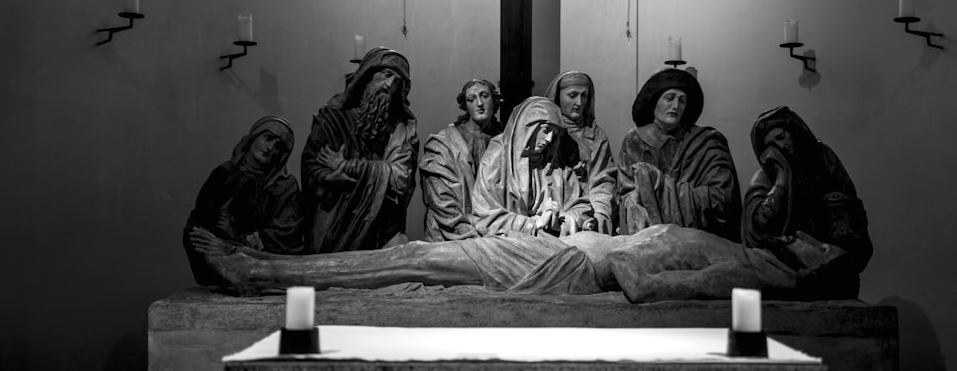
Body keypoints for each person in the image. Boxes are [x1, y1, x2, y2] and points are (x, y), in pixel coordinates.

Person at [191, 221, 849, 302]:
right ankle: (264, 263)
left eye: (825, 246)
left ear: (814, 264)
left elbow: (643, 282)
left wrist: (614, 249)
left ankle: (262, 271)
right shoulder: (750, 253)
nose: (816, 235)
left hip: (565, 265)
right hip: (563, 250)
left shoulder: (752, 271)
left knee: (420, 257)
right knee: (417, 256)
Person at [742, 106, 873, 298]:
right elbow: (758, 227)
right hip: (789, 267)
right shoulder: (765, 178)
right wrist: (781, 178)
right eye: (772, 145)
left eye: (781, 136)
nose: (781, 146)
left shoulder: (823, 159)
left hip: (830, 261)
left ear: (791, 130)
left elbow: (852, 208)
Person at [301, 47, 419, 253]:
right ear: (368, 74)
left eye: (397, 81)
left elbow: (401, 177)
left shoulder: (399, 128)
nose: (390, 85)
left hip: (378, 222)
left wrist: (350, 167)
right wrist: (327, 178)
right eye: (387, 74)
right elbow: (312, 165)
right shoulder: (333, 119)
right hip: (334, 215)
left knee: (397, 252)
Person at [617, 68, 741, 241]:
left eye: (682, 101)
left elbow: (722, 200)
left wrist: (658, 187)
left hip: (698, 238)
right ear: (655, 101)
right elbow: (627, 194)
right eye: (669, 98)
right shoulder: (634, 140)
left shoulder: (705, 143)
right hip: (648, 237)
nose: (676, 106)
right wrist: (638, 196)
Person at [182, 115, 303, 286]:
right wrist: (212, 241)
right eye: (268, 138)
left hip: (260, 262)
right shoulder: (223, 174)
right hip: (217, 257)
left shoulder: (284, 187)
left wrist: (238, 237)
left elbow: (287, 236)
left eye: (278, 147)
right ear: (254, 137)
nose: (270, 148)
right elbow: (199, 220)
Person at [472, 96, 594, 237]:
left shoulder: (554, 164)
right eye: (546, 130)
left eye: (553, 133)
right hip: (511, 241)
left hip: (551, 239)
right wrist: (534, 224)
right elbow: (484, 217)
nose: (549, 139)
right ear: (528, 126)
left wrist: (563, 220)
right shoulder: (498, 157)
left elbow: (581, 206)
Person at [420, 79, 503, 241]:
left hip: (495, 229)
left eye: (484, 96)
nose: (479, 103)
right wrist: (467, 230)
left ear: (494, 100)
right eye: (471, 99)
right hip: (454, 230)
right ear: (465, 105)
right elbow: (441, 199)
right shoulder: (445, 143)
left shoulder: (505, 141)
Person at [544, 71, 616, 234]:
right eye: (572, 95)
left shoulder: (596, 136)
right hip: (551, 211)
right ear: (558, 96)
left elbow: (604, 180)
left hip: (587, 215)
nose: (579, 102)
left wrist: (599, 212)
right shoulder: (545, 132)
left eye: (584, 96)